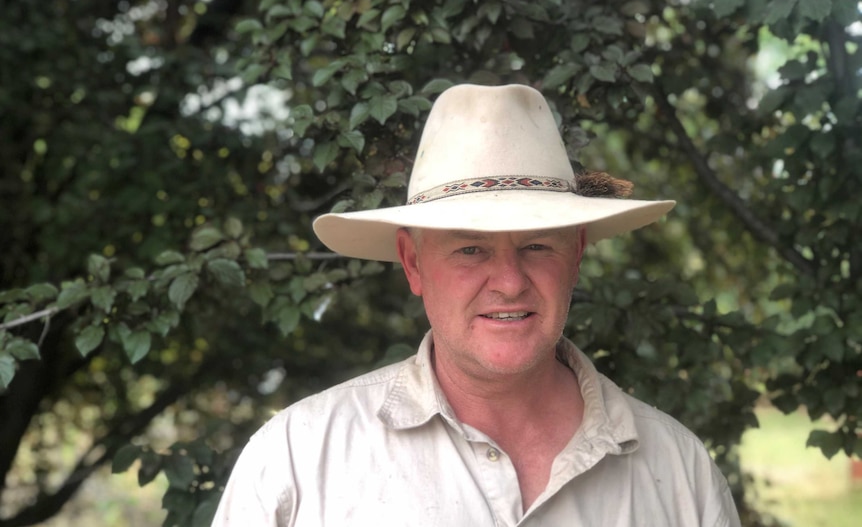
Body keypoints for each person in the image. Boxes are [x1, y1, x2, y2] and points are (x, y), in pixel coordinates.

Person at [211, 83, 741, 526]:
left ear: (576, 254)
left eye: (537, 245)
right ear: (413, 264)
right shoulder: (298, 460)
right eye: (470, 249)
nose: (509, 283)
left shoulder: (677, 469)